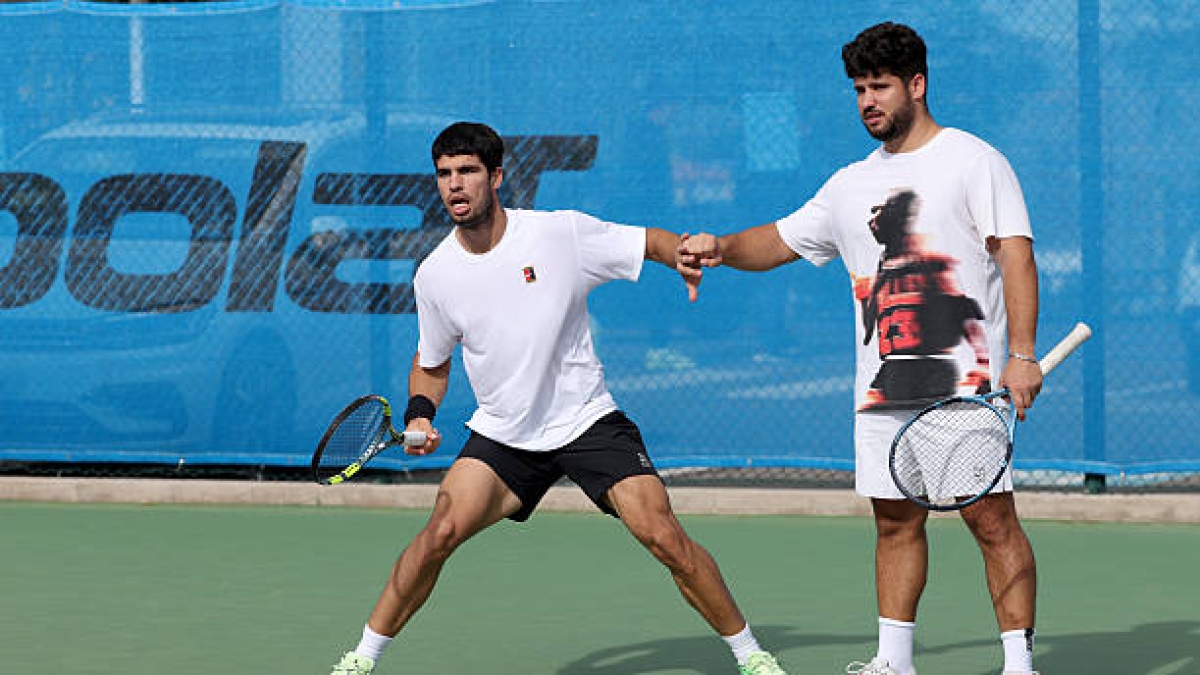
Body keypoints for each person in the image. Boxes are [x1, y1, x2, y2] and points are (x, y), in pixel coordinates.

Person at [326, 121, 787, 675]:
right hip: (503, 434)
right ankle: (360, 660)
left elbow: (646, 241)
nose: (455, 184)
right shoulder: (435, 275)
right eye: (445, 173)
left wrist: (681, 253)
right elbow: (431, 364)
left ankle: (751, 656)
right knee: (439, 532)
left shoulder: (557, 235)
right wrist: (420, 413)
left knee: (662, 535)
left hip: (585, 420)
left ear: (495, 177)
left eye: (467, 171)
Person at [677, 22, 1042, 675]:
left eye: (879, 86)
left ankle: (1018, 665)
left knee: (992, 522)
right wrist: (722, 249)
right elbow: (783, 239)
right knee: (895, 523)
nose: (867, 100)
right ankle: (894, 660)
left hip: (966, 386)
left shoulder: (975, 161)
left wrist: (1022, 351)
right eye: (859, 89)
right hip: (883, 391)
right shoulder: (849, 183)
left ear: (917, 85)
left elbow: (1014, 252)